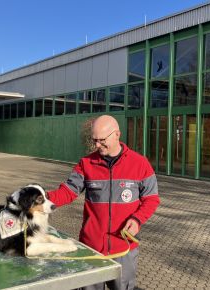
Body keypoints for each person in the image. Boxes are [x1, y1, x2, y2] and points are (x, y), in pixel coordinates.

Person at [47, 115, 160, 290]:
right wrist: (40, 199)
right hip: (91, 249)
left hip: (124, 249)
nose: (97, 145)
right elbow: (67, 192)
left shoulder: (140, 163)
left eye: (102, 140)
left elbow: (151, 198)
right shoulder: (86, 164)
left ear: (117, 134)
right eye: (94, 140)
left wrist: (137, 220)